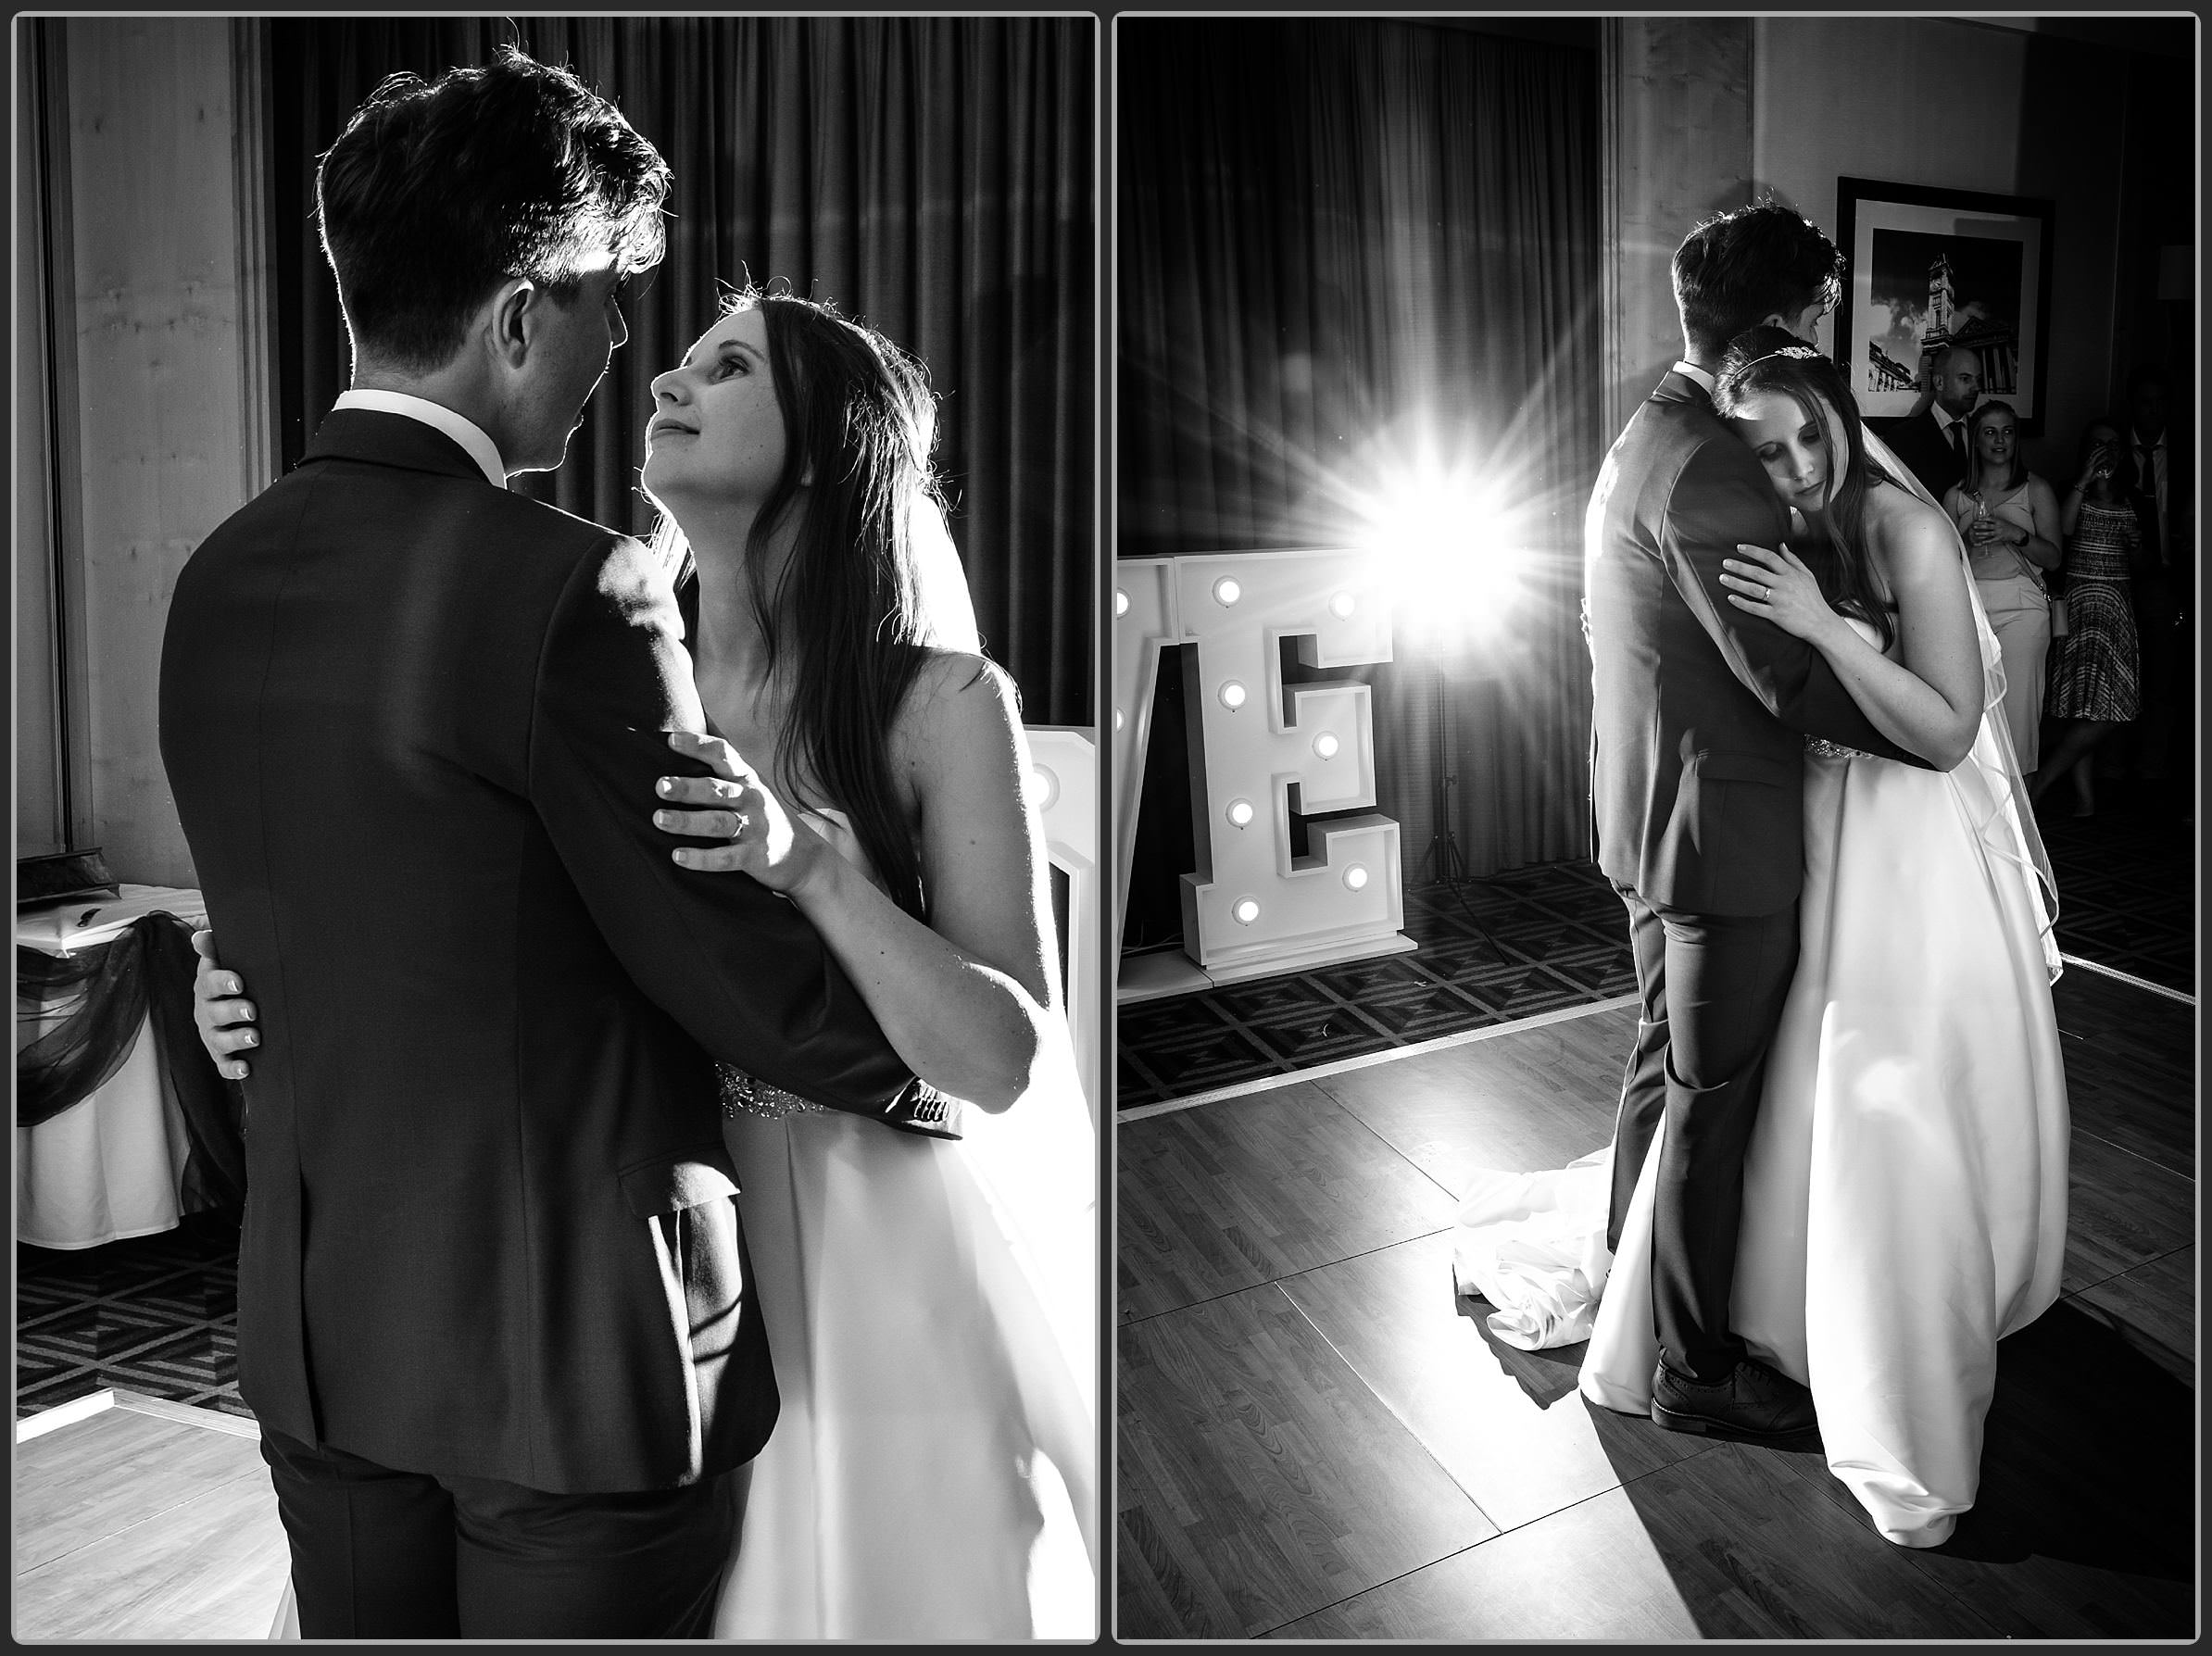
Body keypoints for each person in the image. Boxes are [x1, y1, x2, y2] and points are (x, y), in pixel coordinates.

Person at [194, 291, 1100, 1639]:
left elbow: (1003, 1058)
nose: (665, 377)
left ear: (825, 446)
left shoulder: (942, 702)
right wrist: (260, 990)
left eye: (726, 367)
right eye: (677, 357)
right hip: (601, 1279)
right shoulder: (593, 657)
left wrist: (805, 865)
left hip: (860, 1260)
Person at [157, 52, 922, 1638]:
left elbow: (297, 927)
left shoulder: (212, 579)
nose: (620, 348)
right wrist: (935, 1057)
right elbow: (709, 949)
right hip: (571, 1359)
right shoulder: (569, 586)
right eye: (604, 304)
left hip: (321, 1333)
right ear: (517, 317)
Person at [1461, 327, 2068, 1550]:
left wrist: (1830, 629)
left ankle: (1898, 1329)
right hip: (1818, 825)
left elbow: (1948, 734)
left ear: (1847, 420)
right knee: (1787, 1078)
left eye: (1808, 437)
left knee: (1881, 1082)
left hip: (1912, 845)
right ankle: (1777, 1304)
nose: (1793, 467)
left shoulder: (1911, 532)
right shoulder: (1779, 525)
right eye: (1767, 447)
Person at [1578, 201, 1931, 1447]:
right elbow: (1783, 673)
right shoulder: (1715, 462)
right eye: (1821, 315)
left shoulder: (1651, 428)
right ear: (1779, 322)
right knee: (1710, 1099)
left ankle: (1631, 1280)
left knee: (1661, 1068)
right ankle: (1692, 1368)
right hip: (1720, 836)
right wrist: (1940, 723)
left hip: (1651, 813)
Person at [1941, 401, 2060, 779]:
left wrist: (2015, 533)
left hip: (2022, 606)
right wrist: (1965, 538)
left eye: (2007, 431)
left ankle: (2020, 815)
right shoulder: (1956, 495)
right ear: (1975, 440)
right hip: (1969, 609)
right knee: (1972, 710)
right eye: (1990, 432)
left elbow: (2055, 558)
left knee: (2019, 714)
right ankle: (1978, 813)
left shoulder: (2035, 490)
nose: (1999, 440)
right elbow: (1937, 564)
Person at [2033, 417, 2142, 816]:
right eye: (2097, 443)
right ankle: (2085, 801)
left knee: (2114, 707)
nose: (2105, 450)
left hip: (2115, 609)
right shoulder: (2068, 490)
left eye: (2112, 444)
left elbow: (2149, 561)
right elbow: (2062, 529)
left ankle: (2043, 779)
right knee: (2084, 704)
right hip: (2078, 607)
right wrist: (2084, 477)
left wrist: (2136, 546)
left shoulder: (2133, 498)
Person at [2117, 364, 2187, 791]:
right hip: (2119, 582)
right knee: (2122, 676)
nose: (2153, 411)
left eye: (2161, 402)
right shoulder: (2113, 453)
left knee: (2164, 677)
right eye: (2145, 402)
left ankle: (2153, 768)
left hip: (2169, 579)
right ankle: (2114, 767)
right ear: (2132, 405)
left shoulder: (2188, 455)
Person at [1869, 343, 1981, 502]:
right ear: (1939, 382)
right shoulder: (1903, 437)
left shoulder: (1985, 433)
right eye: (1965, 379)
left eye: (1978, 380)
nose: (1976, 387)